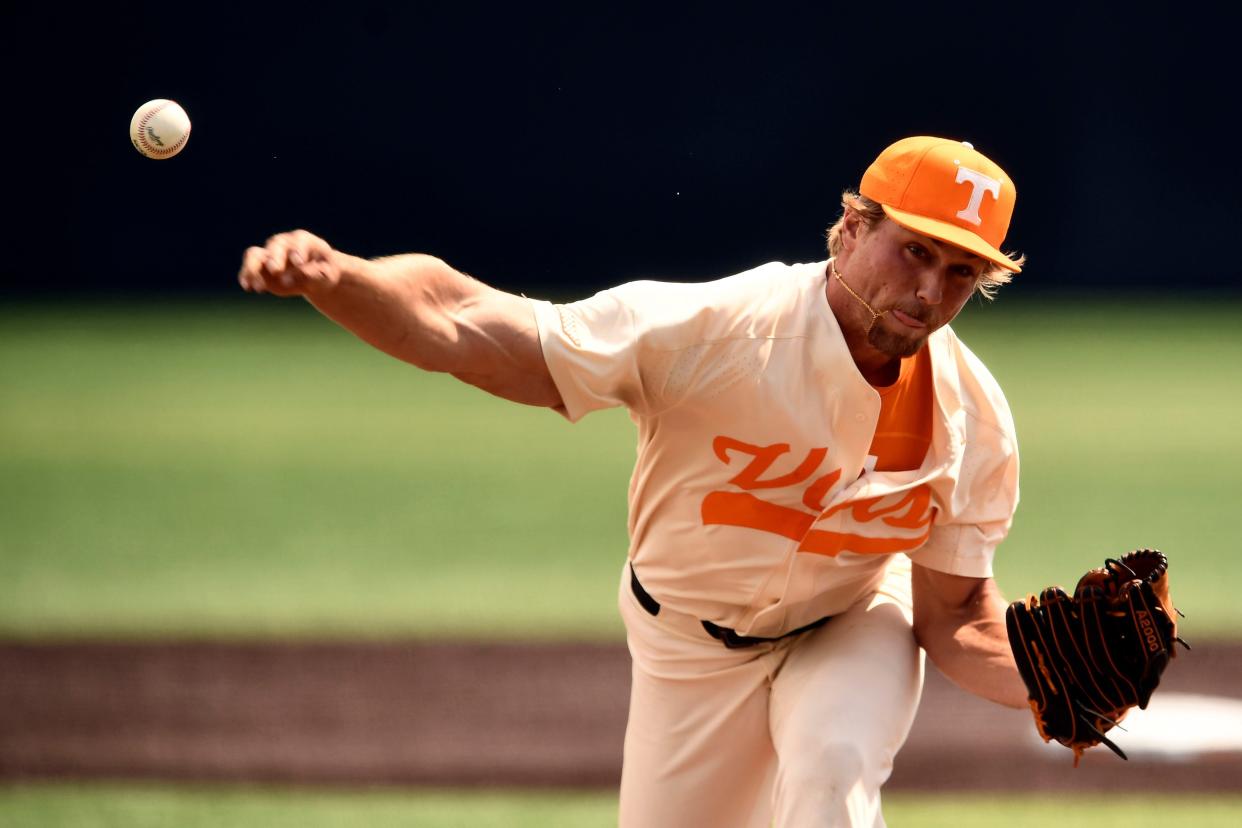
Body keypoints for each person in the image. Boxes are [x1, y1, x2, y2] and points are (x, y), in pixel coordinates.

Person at [238, 136, 1030, 827]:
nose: (930, 292)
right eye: (915, 251)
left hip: (855, 620)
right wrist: (338, 278)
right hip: (687, 645)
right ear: (853, 228)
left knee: (832, 765)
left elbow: (956, 614)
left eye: (961, 272)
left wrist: (1047, 685)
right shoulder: (713, 331)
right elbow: (463, 319)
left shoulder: (973, 419)